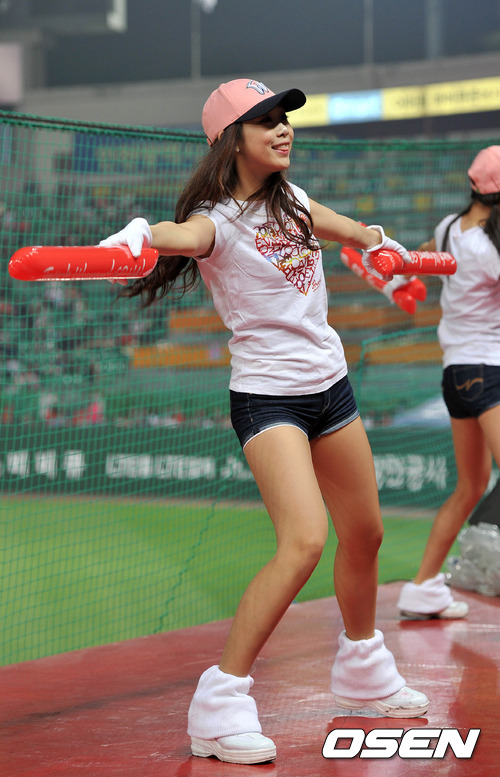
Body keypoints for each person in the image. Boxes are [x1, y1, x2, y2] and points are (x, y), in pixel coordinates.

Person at [100, 78, 429, 765]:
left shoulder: (294, 202)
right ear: (231, 140)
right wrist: (141, 235)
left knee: (366, 532)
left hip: (331, 387)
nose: (283, 129)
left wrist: (381, 245)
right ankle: (219, 704)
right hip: (269, 399)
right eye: (266, 120)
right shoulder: (217, 220)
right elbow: (181, 235)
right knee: (304, 541)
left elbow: (346, 228)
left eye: (285, 118)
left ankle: (364, 669)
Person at [397, 145, 500, 620]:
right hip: (488, 370)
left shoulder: (448, 228)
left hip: (456, 374)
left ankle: (422, 587)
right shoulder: (489, 246)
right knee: (473, 486)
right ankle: (479, 559)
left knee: (471, 485)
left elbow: (418, 258)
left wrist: (398, 273)